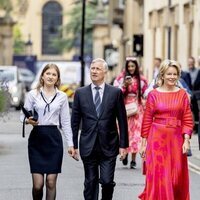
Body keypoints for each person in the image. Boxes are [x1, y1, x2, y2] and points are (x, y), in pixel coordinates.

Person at [71, 58, 128, 200]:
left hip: (109, 145)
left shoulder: (115, 93)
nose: (94, 71)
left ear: (105, 72)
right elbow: (75, 121)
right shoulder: (80, 93)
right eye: (92, 68)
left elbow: (122, 120)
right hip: (88, 145)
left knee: (107, 182)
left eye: (97, 69)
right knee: (90, 183)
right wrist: (73, 144)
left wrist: (123, 145)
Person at [139, 59, 194, 200]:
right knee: (159, 175)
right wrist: (143, 142)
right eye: (169, 74)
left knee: (175, 178)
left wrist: (186, 140)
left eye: (175, 74)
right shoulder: (153, 94)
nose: (172, 77)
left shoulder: (182, 94)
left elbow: (187, 119)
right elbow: (147, 119)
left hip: (176, 139)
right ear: (162, 75)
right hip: (157, 139)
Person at [20, 63, 75, 200]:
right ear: (42, 76)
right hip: (37, 139)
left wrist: (70, 144)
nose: (51, 76)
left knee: (51, 182)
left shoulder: (62, 96)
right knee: (38, 185)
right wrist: (28, 121)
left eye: (54, 74)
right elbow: (22, 116)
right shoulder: (33, 94)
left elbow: (66, 122)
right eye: (48, 73)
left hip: (53, 140)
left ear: (57, 79)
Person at [113, 56, 148, 169]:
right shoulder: (120, 78)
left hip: (137, 109)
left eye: (133, 66)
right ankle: (125, 153)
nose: (131, 68)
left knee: (136, 135)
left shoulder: (141, 79)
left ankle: (133, 160)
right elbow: (116, 92)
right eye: (129, 66)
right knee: (125, 132)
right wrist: (124, 85)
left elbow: (145, 93)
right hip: (124, 107)